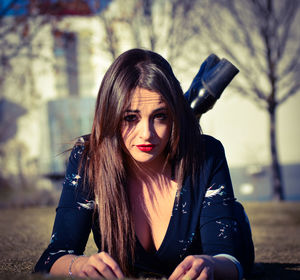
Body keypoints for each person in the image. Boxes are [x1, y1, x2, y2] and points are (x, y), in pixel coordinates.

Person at [34, 48, 254, 279]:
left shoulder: (206, 155)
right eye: (130, 118)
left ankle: (187, 109)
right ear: (111, 115)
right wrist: (78, 266)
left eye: (160, 116)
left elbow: (231, 261)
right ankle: (191, 104)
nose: (146, 134)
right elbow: (53, 258)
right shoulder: (90, 157)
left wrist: (211, 265)